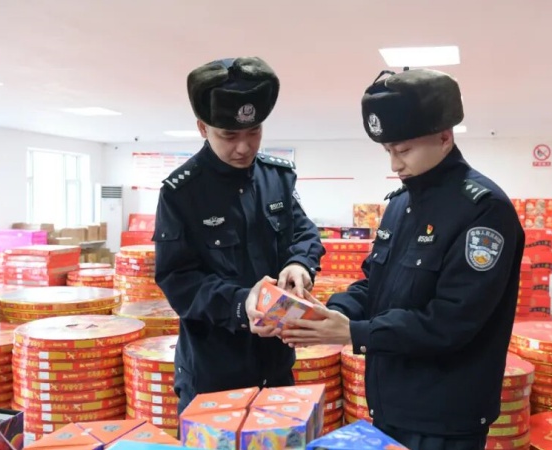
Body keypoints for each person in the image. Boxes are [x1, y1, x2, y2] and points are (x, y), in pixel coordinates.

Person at [280, 68, 525, 449]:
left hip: (445, 415)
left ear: (444, 137)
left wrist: (353, 333)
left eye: (404, 150)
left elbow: (452, 322)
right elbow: (374, 286)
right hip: (390, 402)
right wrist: (323, 313)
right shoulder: (400, 205)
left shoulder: (483, 211)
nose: (394, 165)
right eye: (388, 151)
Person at [153, 56, 326, 416]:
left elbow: (304, 232)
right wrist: (241, 302)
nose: (244, 147)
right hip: (213, 371)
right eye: (229, 135)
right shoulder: (181, 193)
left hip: (276, 366)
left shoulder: (277, 178)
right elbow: (178, 279)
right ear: (203, 128)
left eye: (254, 132)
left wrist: (300, 263)